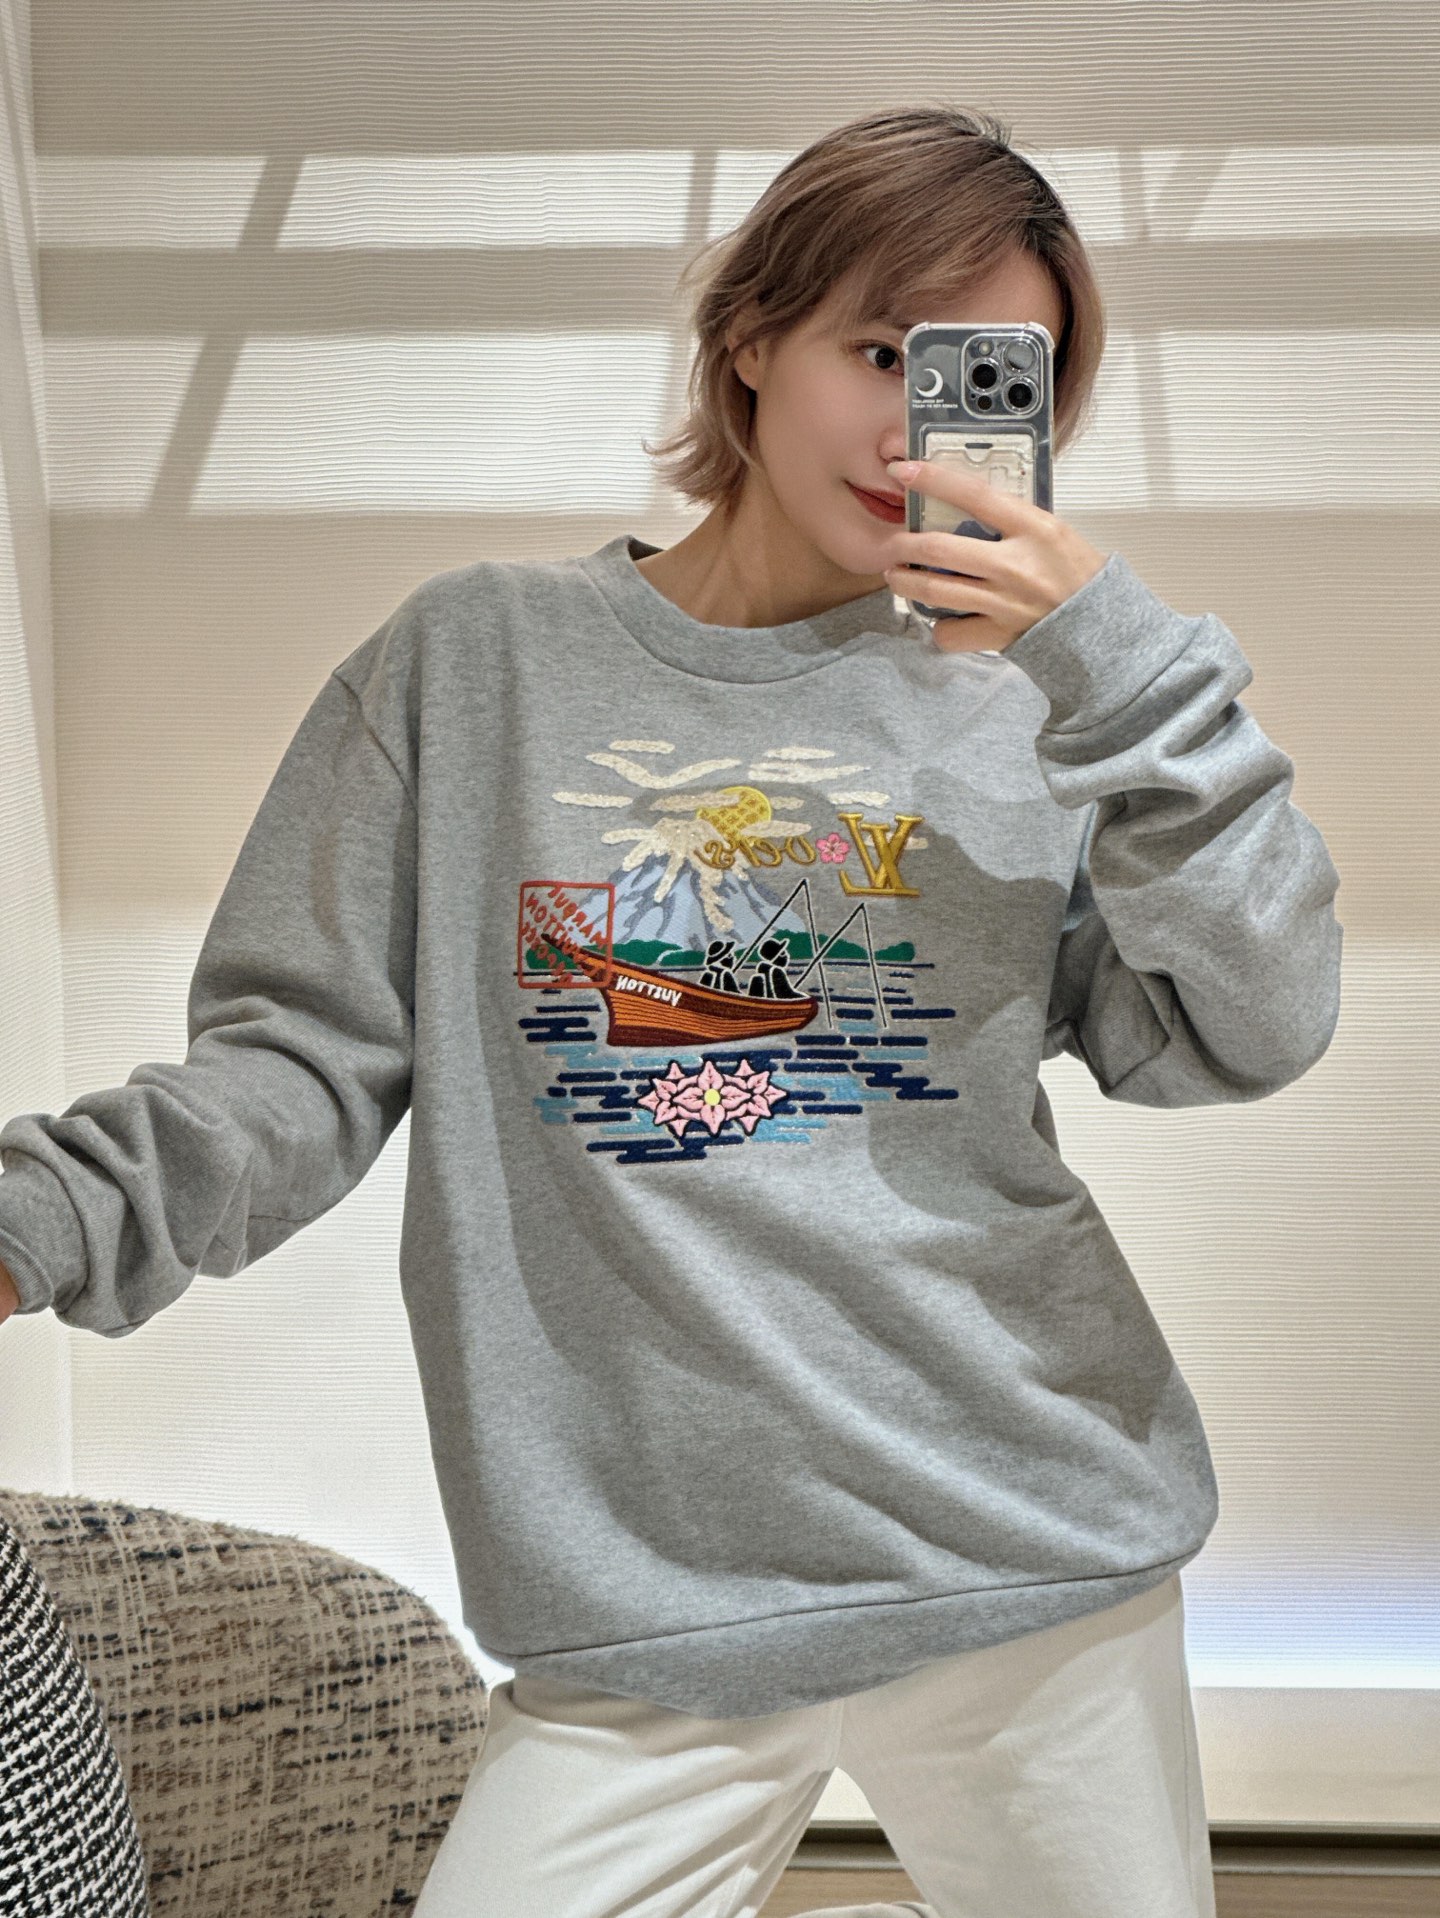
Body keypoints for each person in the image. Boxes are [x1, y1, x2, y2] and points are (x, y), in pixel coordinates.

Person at [0, 104, 1343, 1918]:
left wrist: (1116, 658)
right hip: (644, 1610)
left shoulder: (1046, 709)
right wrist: (36, 1220)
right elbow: (294, 1070)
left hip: (1032, 1555)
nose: (914, 423)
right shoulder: (475, 662)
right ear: (752, 337)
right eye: (883, 350)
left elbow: (1254, 1020)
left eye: (984, 376)